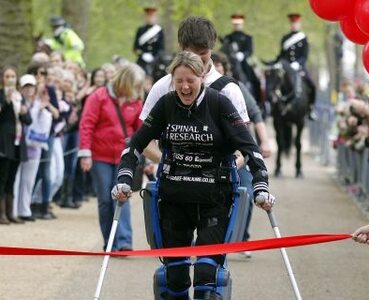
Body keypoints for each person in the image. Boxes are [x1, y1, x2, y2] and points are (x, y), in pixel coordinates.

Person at [111, 51, 275, 300]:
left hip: (214, 201)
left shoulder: (220, 104)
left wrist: (261, 187)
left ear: (202, 78)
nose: (185, 87)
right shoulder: (166, 104)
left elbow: (251, 150)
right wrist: (123, 179)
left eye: (191, 80)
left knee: (206, 275)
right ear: (172, 80)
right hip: (174, 200)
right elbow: (134, 146)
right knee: (174, 278)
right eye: (179, 81)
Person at [140, 16, 249, 164]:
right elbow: (143, 140)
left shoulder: (229, 89)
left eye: (203, 53)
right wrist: (167, 164)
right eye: (192, 53)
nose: (197, 59)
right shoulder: (162, 86)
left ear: (212, 46)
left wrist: (226, 169)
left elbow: (244, 145)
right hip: (174, 178)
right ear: (181, 47)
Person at [79, 63, 145, 251]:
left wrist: (144, 158)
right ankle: (110, 242)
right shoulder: (99, 97)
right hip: (100, 156)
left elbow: (141, 131)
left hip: (124, 156)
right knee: (105, 199)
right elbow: (87, 124)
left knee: (122, 194)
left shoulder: (135, 101)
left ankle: (124, 241)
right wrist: (85, 153)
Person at [212, 51, 271, 258]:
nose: (216, 70)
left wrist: (264, 141)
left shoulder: (234, 87)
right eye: (213, 66)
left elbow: (255, 114)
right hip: (214, 153)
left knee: (245, 190)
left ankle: (241, 238)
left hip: (241, 151)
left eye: (219, 67)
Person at [13, 74, 53, 221]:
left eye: (31, 86)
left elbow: (49, 118)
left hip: (35, 148)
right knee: (16, 180)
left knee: (28, 181)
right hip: (19, 146)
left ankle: (25, 210)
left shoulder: (38, 103)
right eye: (26, 86)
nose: (29, 89)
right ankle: (14, 210)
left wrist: (43, 107)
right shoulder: (18, 102)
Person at [0, 66, 32, 224]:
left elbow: (28, 121)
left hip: (18, 142)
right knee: (2, 177)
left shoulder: (19, 97)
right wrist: (6, 101)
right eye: (7, 76)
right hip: (4, 141)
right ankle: (1, 214)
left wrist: (25, 112)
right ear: (3, 79)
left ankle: (10, 211)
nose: (11, 79)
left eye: (13, 76)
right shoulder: (1, 95)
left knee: (12, 178)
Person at [277, 13, 317, 120]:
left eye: (296, 23)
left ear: (299, 24)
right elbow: (281, 55)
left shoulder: (303, 38)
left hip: (299, 67)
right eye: (292, 23)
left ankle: (310, 108)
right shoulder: (285, 38)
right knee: (275, 84)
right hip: (286, 68)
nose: (294, 25)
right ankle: (274, 108)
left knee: (312, 86)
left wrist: (297, 64)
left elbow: (304, 56)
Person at [222, 14, 262, 104]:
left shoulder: (247, 38)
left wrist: (243, 55)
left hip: (243, 62)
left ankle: (259, 102)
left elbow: (250, 51)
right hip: (230, 62)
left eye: (238, 24)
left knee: (256, 79)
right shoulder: (228, 38)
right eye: (235, 24)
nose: (237, 26)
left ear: (242, 24)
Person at [133, 7, 165, 76]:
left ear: (155, 17)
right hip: (142, 61)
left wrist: (154, 59)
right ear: (145, 17)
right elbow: (135, 48)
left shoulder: (159, 30)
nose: (150, 18)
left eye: (152, 16)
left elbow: (161, 48)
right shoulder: (140, 30)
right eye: (148, 16)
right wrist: (142, 55)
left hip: (156, 61)